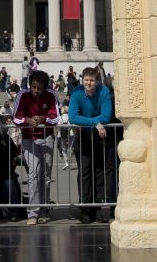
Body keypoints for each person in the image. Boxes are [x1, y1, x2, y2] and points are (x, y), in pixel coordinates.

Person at [68, 67, 116, 224]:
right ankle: (85, 207)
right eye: (86, 80)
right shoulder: (76, 93)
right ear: (83, 80)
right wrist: (95, 122)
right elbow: (73, 117)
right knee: (85, 172)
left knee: (100, 172)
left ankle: (98, 207)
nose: (88, 83)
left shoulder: (103, 92)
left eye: (92, 80)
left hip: (101, 135)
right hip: (84, 135)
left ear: (97, 81)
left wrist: (96, 122)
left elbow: (107, 116)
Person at [13, 70, 60, 225]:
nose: (36, 91)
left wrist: (43, 118)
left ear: (45, 87)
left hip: (47, 137)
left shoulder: (51, 96)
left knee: (45, 176)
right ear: (30, 86)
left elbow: (56, 118)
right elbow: (15, 117)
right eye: (33, 87)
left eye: (39, 88)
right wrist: (27, 120)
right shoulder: (23, 95)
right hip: (29, 138)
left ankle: (44, 210)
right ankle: (32, 213)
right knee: (34, 174)